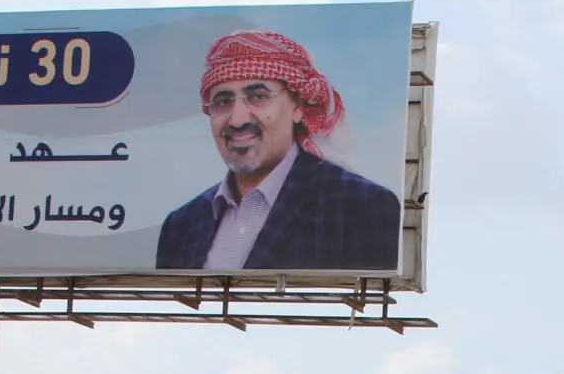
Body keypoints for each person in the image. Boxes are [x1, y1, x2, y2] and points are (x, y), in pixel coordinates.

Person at [155, 30, 402, 272]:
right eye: (222, 101)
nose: (238, 120)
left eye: (258, 96)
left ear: (298, 107)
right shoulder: (181, 226)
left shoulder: (361, 208)